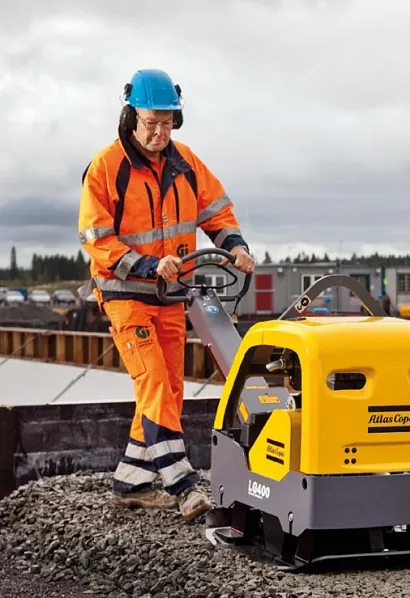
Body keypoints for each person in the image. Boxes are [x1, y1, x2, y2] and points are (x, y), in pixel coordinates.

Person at [77, 69, 256, 521]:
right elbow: (96, 237)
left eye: (168, 123)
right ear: (131, 115)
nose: (159, 133)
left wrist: (236, 247)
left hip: (173, 296)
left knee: (169, 391)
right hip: (125, 295)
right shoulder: (105, 167)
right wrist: (145, 264)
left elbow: (218, 211)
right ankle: (182, 482)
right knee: (154, 380)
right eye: (151, 122)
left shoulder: (187, 163)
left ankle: (131, 481)